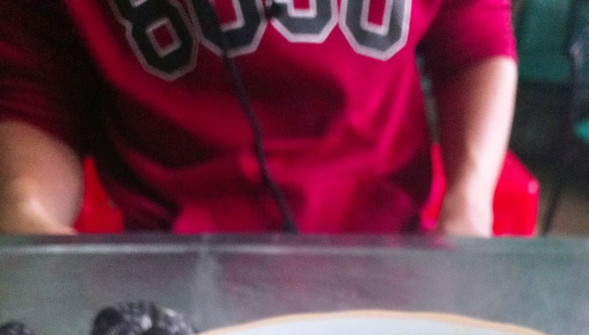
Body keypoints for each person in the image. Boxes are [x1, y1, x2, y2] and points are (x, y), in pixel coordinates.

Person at [0, 0, 518, 237]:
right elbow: (37, 95)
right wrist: (26, 209)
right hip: (175, 255)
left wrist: (469, 202)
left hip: (384, 241)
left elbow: (472, 34)